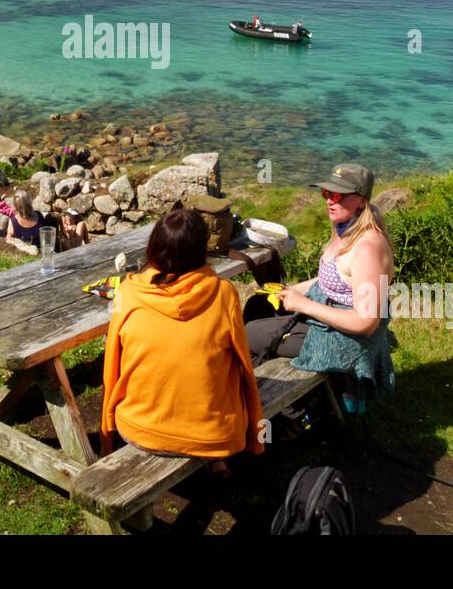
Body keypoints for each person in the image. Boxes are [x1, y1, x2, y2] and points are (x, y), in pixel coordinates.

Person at [101, 209, 264, 474]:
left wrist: (107, 429)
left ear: (154, 247)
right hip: (213, 436)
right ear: (201, 250)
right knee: (220, 364)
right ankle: (216, 460)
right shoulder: (223, 293)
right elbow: (244, 365)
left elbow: (112, 366)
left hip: (139, 429)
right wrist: (255, 434)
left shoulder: (129, 292)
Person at [246, 163, 395, 411]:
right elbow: (331, 279)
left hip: (345, 340)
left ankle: (268, 401)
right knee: (257, 305)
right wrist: (294, 290)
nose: (329, 201)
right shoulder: (345, 228)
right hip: (328, 323)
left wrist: (305, 305)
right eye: (326, 193)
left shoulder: (368, 247)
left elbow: (366, 322)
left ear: (361, 201)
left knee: (248, 332)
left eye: (338, 195)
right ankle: (261, 387)